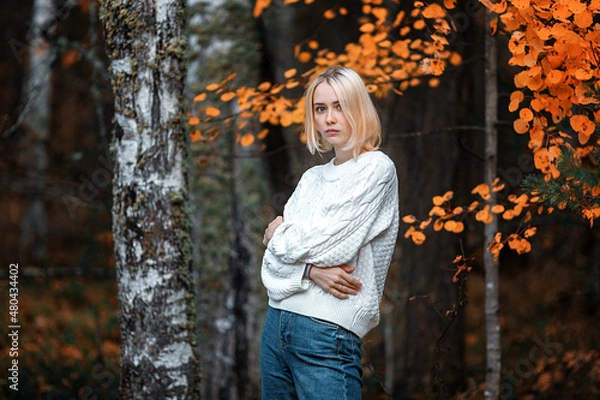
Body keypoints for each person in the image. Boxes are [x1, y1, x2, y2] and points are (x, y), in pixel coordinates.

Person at [260, 66, 399, 399]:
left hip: (326, 331)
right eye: (320, 109)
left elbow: (328, 246)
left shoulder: (376, 169)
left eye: (340, 106)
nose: (329, 118)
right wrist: (309, 270)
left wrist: (276, 235)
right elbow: (271, 265)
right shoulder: (312, 179)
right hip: (276, 323)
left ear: (359, 108)